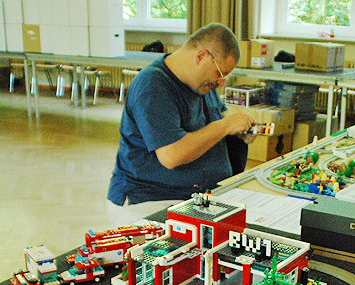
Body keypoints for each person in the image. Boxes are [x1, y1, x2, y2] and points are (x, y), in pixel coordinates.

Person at [106, 23, 256, 227]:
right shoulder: (153, 86)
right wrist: (226, 126)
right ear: (201, 56)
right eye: (220, 73)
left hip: (197, 198)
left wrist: (240, 127)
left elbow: (220, 114)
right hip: (152, 201)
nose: (221, 82)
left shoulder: (201, 82)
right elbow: (172, 155)